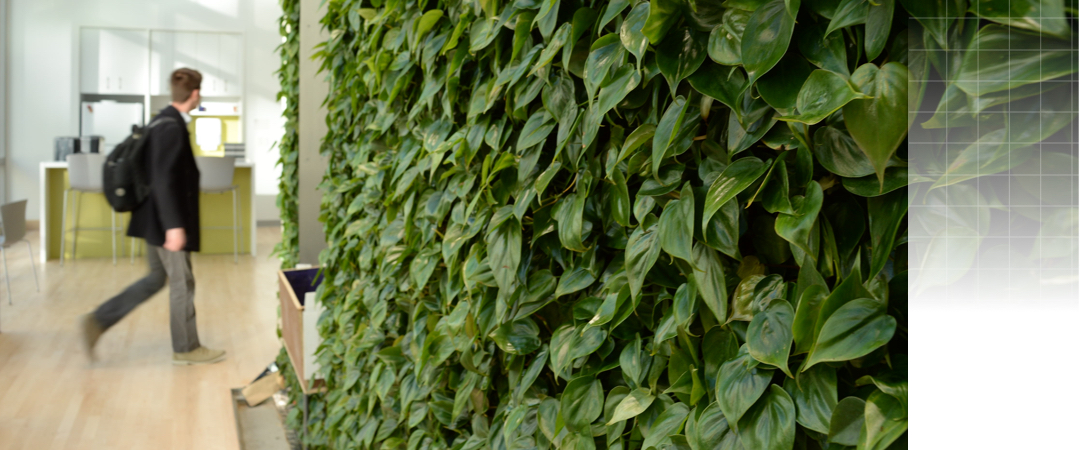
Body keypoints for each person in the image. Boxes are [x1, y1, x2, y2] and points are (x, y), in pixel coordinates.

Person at [80, 68, 226, 365]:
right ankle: (187, 349)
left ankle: (98, 320)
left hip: (152, 218)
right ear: (195, 94)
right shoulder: (171, 127)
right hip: (165, 221)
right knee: (181, 282)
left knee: (157, 278)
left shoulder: (160, 121)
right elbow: (163, 180)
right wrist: (174, 226)